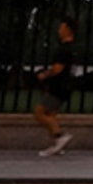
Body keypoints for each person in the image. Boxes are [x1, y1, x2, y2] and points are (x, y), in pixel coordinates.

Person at [33, 17, 76, 157]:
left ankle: (60, 137)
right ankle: (57, 146)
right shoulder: (71, 48)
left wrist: (44, 75)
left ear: (68, 29)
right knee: (51, 115)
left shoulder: (63, 50)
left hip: (58, 86)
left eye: (61, 28)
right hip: (65, 87)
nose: (59, 31)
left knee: (39, 112)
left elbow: (58, 69)